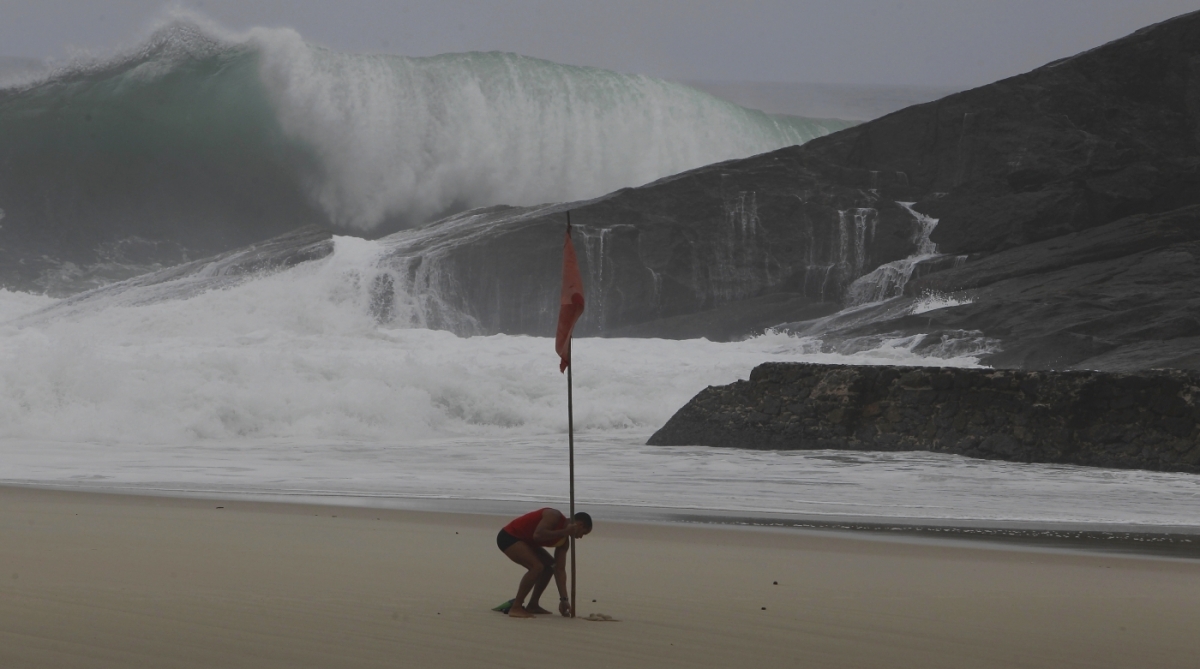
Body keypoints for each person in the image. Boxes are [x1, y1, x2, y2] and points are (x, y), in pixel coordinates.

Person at [496, 507, 593, 618]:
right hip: (510, 536)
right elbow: (538, 535)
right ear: (579, 525)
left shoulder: (564, 542)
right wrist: (564, 531)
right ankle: (516, 607)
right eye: (583, 533)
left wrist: (564, 599)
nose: (580, 537)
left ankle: (533, 605)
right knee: (536, 567)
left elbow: (559, 569)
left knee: (550, 566)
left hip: (527, 543)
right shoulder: (553, 515)